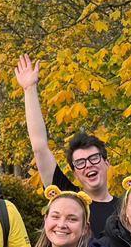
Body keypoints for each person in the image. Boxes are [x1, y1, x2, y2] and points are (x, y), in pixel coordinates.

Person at [16, 56, 120, 233]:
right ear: (75, 173)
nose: (88, 165)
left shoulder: (128, 209)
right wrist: (29, 89)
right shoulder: (68, 199)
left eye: (94, 158)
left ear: (106, 163)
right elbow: (39, 148)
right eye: (80, 163)